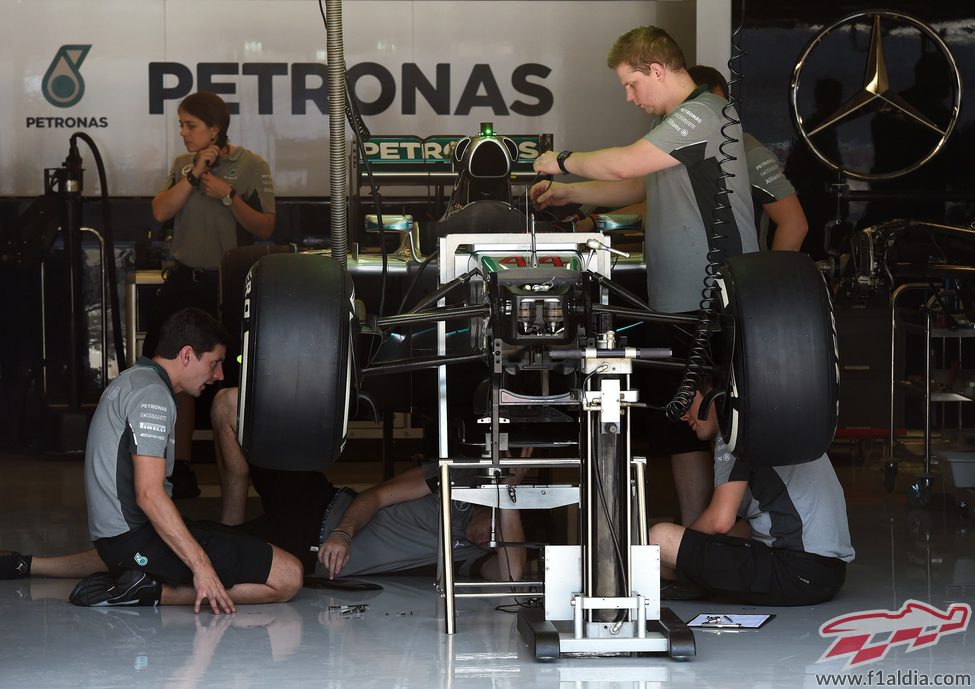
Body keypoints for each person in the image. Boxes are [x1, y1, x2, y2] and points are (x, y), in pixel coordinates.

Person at [531, 26, 759, 526]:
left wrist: (562, 160)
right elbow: (638, 182)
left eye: (632, 84)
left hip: (711, 301)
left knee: (719, 420)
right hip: (677, 303)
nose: (630, 97)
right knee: (680, 424)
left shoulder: (704, 113)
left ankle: (721, 537)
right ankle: (696, 535)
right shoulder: (681, 124)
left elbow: (627, 163)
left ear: (656, 69)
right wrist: (570, 193)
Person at [2, 388, 527, 586]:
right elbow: (375, 497)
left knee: (166, 542)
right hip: (324, 505)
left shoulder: (474, 557)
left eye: (494, 536)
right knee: (230, 406)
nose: (486, 539)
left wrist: (508, 507)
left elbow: (512, 571)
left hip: (301, 547)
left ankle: (32, 565)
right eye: (489, 528)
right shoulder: (455, 484)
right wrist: (344, 532)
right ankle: (232, 518)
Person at [67, 307, 302, 613]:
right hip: (137, 541)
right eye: (214, 363)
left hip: (120, 541)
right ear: (188, 355)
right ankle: (145, 592)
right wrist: (201, 566)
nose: (218, 376)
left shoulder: (133, 380)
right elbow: (149, 494)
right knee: (289, 576)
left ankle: (140, 582)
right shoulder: (153, 395)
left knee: (241, 536)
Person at [144, 91, 276, 498]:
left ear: (214, 130)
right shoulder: (183, 166)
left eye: (191, 126)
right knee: (175, 373)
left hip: (232, 287)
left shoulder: (251, 166)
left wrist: (227, 195)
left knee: (230, 380)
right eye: (181, 125)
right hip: (186, 282)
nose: (183, 133)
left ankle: (243, 474)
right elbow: (160, 212)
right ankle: (179, 467)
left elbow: (266, 227)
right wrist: (192, 174)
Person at [648, 380, 855, 605]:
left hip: (795, 572)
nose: (682, 415)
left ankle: (690, 577)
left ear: (710, 391)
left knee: (658, 540)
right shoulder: (769, 420)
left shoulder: (734, 433)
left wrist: (682, 550)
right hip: (828, 574)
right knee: (676, 552)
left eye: (687, 400)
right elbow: (746, 528)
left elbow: (720, 521)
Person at [573, 66, 808, 252]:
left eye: (716, 106)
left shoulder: (751, 154)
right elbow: (655, 209)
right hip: (685, 285)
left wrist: (770, 290)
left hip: (740, 285)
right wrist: (596, 221)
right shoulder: (671, 148)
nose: (709, 118)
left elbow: (794, 225)